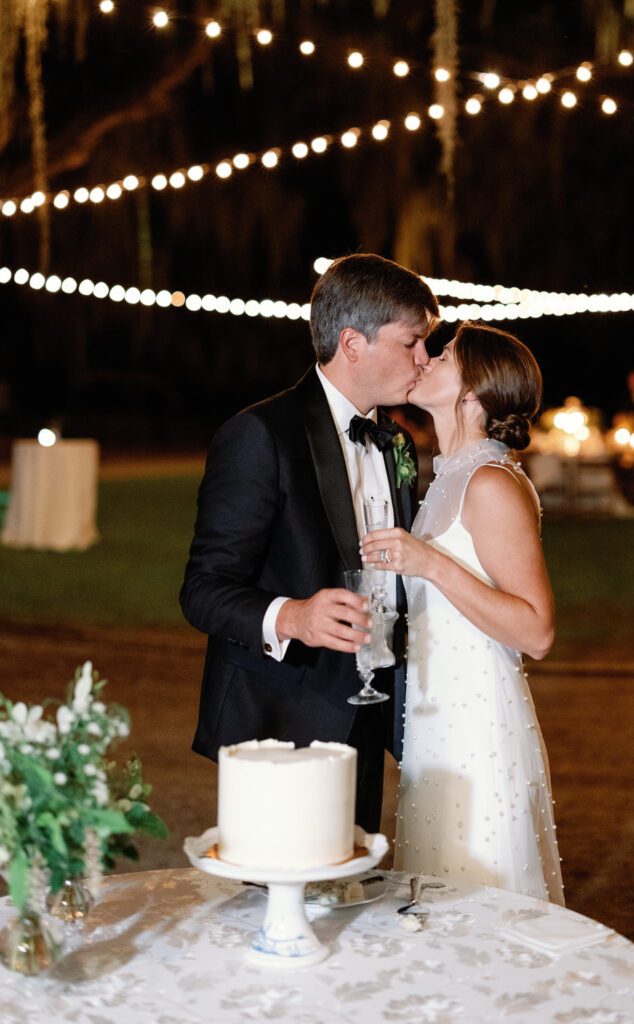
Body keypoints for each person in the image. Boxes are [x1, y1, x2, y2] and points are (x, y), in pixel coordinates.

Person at [180, 254, 439, 833]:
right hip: (281, 721)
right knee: (277, 910)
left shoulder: (396, 443)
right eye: (412, 342)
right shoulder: (259, 434)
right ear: (352, 342)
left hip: (370, 712)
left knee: (354, 899)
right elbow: (202, 590)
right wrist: (293, 616)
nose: (424, 360)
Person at [361, 322, 564, 903]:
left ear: (474, 391)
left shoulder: (489, 483)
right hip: (436, 720)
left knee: (477, 898)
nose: (425, 359)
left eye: (444, 354)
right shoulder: (451, 475)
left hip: (477, 725)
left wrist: (430, 563)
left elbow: (538, 630)